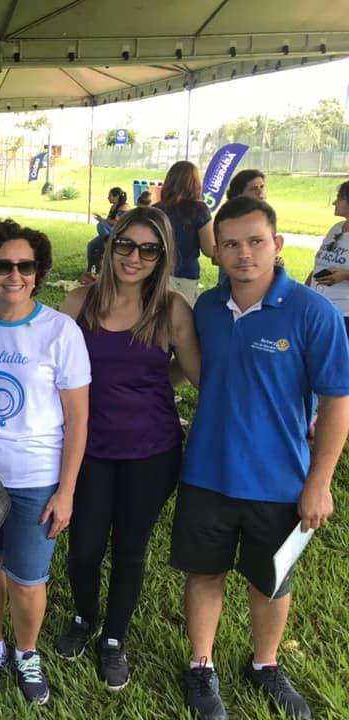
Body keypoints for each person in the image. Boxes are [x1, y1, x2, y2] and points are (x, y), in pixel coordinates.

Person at [170, 197, 349, 720]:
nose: (243, 253)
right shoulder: (206, 307)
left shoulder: (313, 312)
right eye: (230, 244)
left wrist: (320, 480)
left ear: (278, 244)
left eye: (255, 241)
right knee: (204, 574)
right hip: (207, 471)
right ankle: (201, 666)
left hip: (280, 479)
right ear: (215, 250)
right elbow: (196, 370)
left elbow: (337, 401)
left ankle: (265, 665)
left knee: (271, 581)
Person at [56, 207, 201, 690]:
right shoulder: (80, 301)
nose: (134, 257)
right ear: (111, 244)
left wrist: (152, 383)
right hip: (89, 448)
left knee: (130, 550)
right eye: (125, 245)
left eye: (148, 248)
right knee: (84, 548)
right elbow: (46, 369)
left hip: (151, 451)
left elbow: (197, 375)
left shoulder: (172, 309)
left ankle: (114, 637)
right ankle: (84, 617)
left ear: (162, 255)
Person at [0, 219, 90, 705]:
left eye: (26, 266)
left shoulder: (60, 331)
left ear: (38, 272)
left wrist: (67, 490)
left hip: (36, 478)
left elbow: (78, 419)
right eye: (3, 265)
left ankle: (26, 650)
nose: (15, 275)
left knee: (28, 578)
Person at [155, 161, 215, 306]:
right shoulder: (200, 210)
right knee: (182, 322)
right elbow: (209, 250)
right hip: (185, 276)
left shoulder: (155, 210)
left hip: (156, 274)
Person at [306, 180, 349, 337]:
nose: (334, 202)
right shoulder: (336, 228)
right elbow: (321, 262)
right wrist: (306, 289)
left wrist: (345, 275)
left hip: (343, 314)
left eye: (340, 197)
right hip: (318, 307)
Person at [86, 187, 130, 270]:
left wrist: (103, 220)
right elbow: (109, 221)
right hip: (110, 233)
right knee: (91, 245)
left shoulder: (124, 208)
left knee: (101, 225)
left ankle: (109, 243)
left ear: (116, 196)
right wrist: (102, 219)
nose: (108, 198)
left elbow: (119, 223)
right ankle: (91, 268)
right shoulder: (113, 206)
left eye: (110, 196)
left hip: (119, 233)